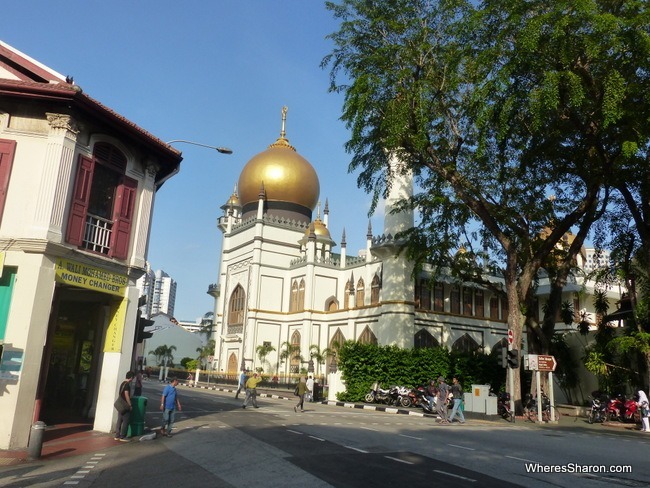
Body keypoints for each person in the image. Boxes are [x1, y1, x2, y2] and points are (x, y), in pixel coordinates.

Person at [114, 371, 134, 442]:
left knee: (119, 420)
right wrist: (130, 405)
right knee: (126, 421)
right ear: (131, 377)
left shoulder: (122, 383)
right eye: (133, 378)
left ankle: (117, 435)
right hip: (125, 405)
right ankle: (123, 436)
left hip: (120, 405)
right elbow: (126, 395)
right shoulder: (127, 385)